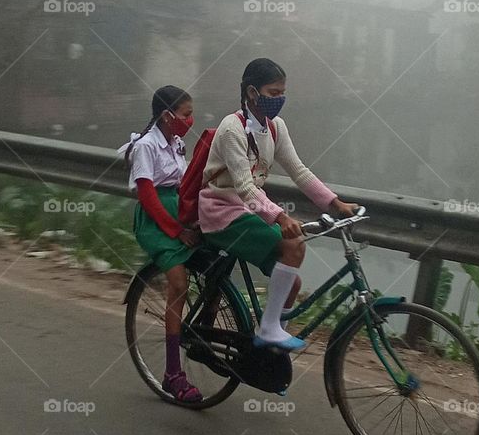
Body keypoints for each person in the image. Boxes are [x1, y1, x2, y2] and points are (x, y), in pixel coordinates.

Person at [198, 58, 360, 350]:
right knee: (293, 244)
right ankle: (268, 330)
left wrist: (335, 203)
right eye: (273, 93)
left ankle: (272, 348)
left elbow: (298, 171)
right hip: (221, 212)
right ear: (252, 93)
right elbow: (245, 187)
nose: (280, 99)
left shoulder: (275, 127)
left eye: (282, 93)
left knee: (291, 285)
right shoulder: (232, 128)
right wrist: (281, 217)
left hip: (246, 210)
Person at [120, 86, 203, 403]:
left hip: (179, 211)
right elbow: (147, 195)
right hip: (157, 221)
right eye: (185, 114)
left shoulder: (177, 142)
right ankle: (172, 374)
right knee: (178, 284)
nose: (190, 120)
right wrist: (176, 230)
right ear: (168, 116)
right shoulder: (146, 146)